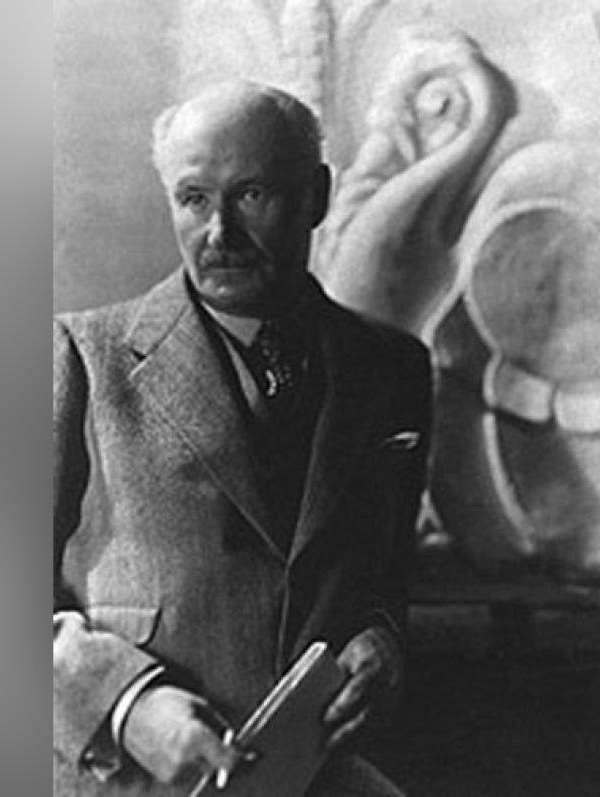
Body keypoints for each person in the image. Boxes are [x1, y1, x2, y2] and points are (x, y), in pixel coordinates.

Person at [53, 80, 432, 797]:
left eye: (252, 194)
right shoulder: (79, 356)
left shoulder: (392, 370)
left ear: (316, 196)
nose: (219, 232)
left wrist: (383, 642)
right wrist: (127, 705)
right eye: (193, 199)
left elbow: (382, 579)